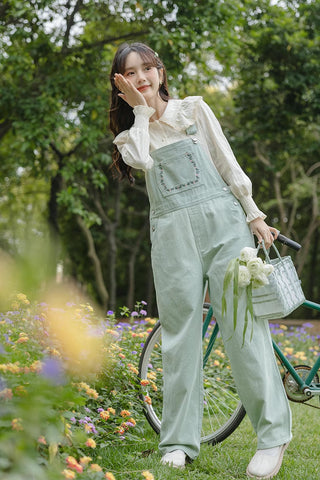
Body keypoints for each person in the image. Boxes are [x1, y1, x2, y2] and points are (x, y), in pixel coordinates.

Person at [109, 42, 292, 479]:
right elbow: (138, 158)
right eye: (130, 74)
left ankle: (272, 436)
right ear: (120, 86)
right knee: (179, 337)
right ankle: (177, 441)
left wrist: (254, 214)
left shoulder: (193, 110)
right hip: (172, 236)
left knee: (242, 326)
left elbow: (227, 164)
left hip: (223, 225)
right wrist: (138, 112)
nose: (141, 78)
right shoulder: (130, 134)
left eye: (146, 69)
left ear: (160, 71)